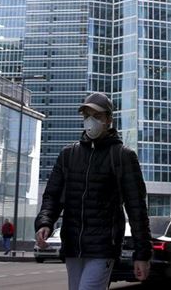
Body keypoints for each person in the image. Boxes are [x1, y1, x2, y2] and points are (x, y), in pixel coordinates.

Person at [35, 92, 152, 290]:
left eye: (97, 116)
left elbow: (137, 209)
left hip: (103, 247)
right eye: (87, 115)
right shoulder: (68, 155)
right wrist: (44, 222)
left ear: (109, 119)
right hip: (73, 245)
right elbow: (52, 196)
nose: (91, 121)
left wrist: (142, 254)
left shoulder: (123, 156)